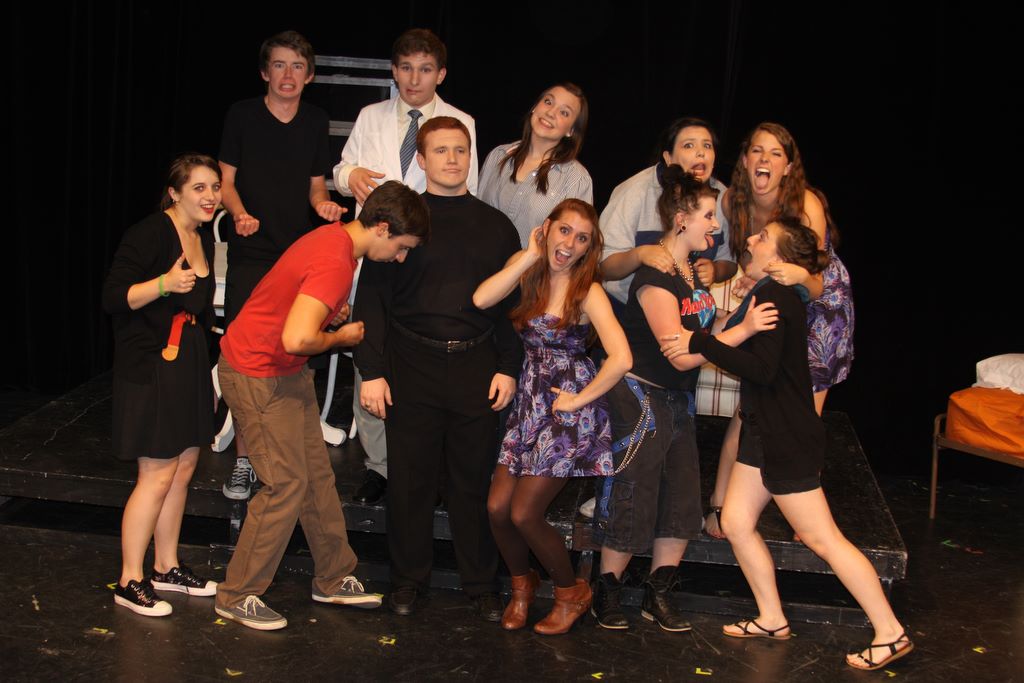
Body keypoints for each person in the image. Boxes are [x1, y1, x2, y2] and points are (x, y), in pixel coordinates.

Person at [664, 218, 909, 671]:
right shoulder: (768, 292)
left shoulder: (776, 297)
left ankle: (890, 631)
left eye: (762, 238)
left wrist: (699, 341)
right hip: (765, 430)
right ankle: (772, 618)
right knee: (736, 521)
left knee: (822, 538)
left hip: (785, 436)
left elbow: (762, 370)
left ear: (777, 257)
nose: (750, 239)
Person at [213, 181, 429, 631]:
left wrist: (329, 317)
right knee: (285, 483)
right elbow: (297, 338)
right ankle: (237, 594)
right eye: (402, 247)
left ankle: (332, 577)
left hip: (283, 370)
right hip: (257, 372)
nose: (400, 257)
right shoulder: (335, 260)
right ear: (383, 228)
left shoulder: (335, 242)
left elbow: (294, 310)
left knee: (315, 475)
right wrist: (341, 337)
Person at [593, 168, 776, 632]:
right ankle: (606, 591)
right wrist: (743, 331)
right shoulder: (655, 278)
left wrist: (739, 316)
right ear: (681, 220)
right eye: (708, 216)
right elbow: (679, 355)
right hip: (642, 396)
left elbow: (701, 333)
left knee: (680, 497)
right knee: (634, 493)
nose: (715, 225)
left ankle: (658, 593)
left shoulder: (691, 272)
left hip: (677, 398)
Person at [354, 117, 521, 620]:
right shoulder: (402, 221)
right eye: (441, 150)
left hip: (477, 366)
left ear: (471, 157)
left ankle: (481, 583)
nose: (452, 159)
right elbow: (372, 301)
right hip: (410, 364)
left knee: (473, 482)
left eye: (460, 150)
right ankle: (407, 580)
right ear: (422, 160)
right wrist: (372, 370)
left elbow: (512, 308)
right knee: (409, 482)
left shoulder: (497, 226)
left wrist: (508, 366)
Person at [333, 27, 479, 507]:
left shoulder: (460, 122)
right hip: (375, 254)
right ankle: (379, 466)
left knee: (418, 365)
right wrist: (350, 174)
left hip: (425, 257)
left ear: (441, 74)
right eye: (407, 69)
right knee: (370, 353)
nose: (415, 79)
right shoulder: (370, 115)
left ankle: (422, 465)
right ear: (394, 72)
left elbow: (468, 192)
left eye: (425, 69)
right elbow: (341, 170)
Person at [474, 199, 631, 635]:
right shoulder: (527, 268)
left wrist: (579, 401)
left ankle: (570, 593)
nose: (570, 244)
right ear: (547, 228)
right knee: (497, 508)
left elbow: (621, 358)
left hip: (567, 408)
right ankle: (523, 587)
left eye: (582, 238)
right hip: (529, 401)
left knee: (525, 512)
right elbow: (482, 298)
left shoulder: (587, 291)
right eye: (564, 231)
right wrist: (530, 254)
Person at [703, 122, 853, 538]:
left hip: (819, 305)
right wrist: (737, 276)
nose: (764, 159)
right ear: (744, 159)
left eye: (775, 153)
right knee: (749, 409)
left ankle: (807, 516)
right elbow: (739, 261)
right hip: (776, 302)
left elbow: (816, 282)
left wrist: (795, 276)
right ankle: (720, 505)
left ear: (788, 166)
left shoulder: (805, 203)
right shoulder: (732, 200)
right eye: (756, 150)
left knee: (800, 418)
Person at [219, 30, 344, 501]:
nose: (287, 74)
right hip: (252, 251)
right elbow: (225, 181)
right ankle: (245, 460)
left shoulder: (315, 120)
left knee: (290, 354)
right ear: (264, 72)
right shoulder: (242, 114)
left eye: (297, 66)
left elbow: (316, 187)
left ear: (308, 76)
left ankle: (286, 451)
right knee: (247, 359)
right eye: (279, 65)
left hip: (297, 255)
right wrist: (238, 213)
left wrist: (324, 205)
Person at [102, 153, 222, 616]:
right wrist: (164, 283)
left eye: (215, 187)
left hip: (187, 361)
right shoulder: (150, 233)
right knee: (155, 474)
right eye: (199, 188)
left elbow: (200, 310)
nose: (210, 196)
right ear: (174, 193)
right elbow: (114, 297)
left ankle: (166, 566)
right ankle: (129, 579)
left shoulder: (202, 236)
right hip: (152, 363)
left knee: (184, 467)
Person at [601, 117, 736, 309]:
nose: (701, 152)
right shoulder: (635, 192)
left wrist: (716, 270)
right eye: (689, 145)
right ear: (668, 157)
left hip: (687, 309)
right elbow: (603, 265)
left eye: (707, 145)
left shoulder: (720, 198)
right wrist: (639, 255)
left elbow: (729, 261)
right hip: (627, 308)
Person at [478, 83, 592, 247]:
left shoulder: (576, 179)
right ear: (534, 107)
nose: (550, 113)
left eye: (564, 112)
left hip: (536, 265)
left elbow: (574, 245)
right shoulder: (498, 155)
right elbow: (475, 216)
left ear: (571, 131)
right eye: (548, 102)